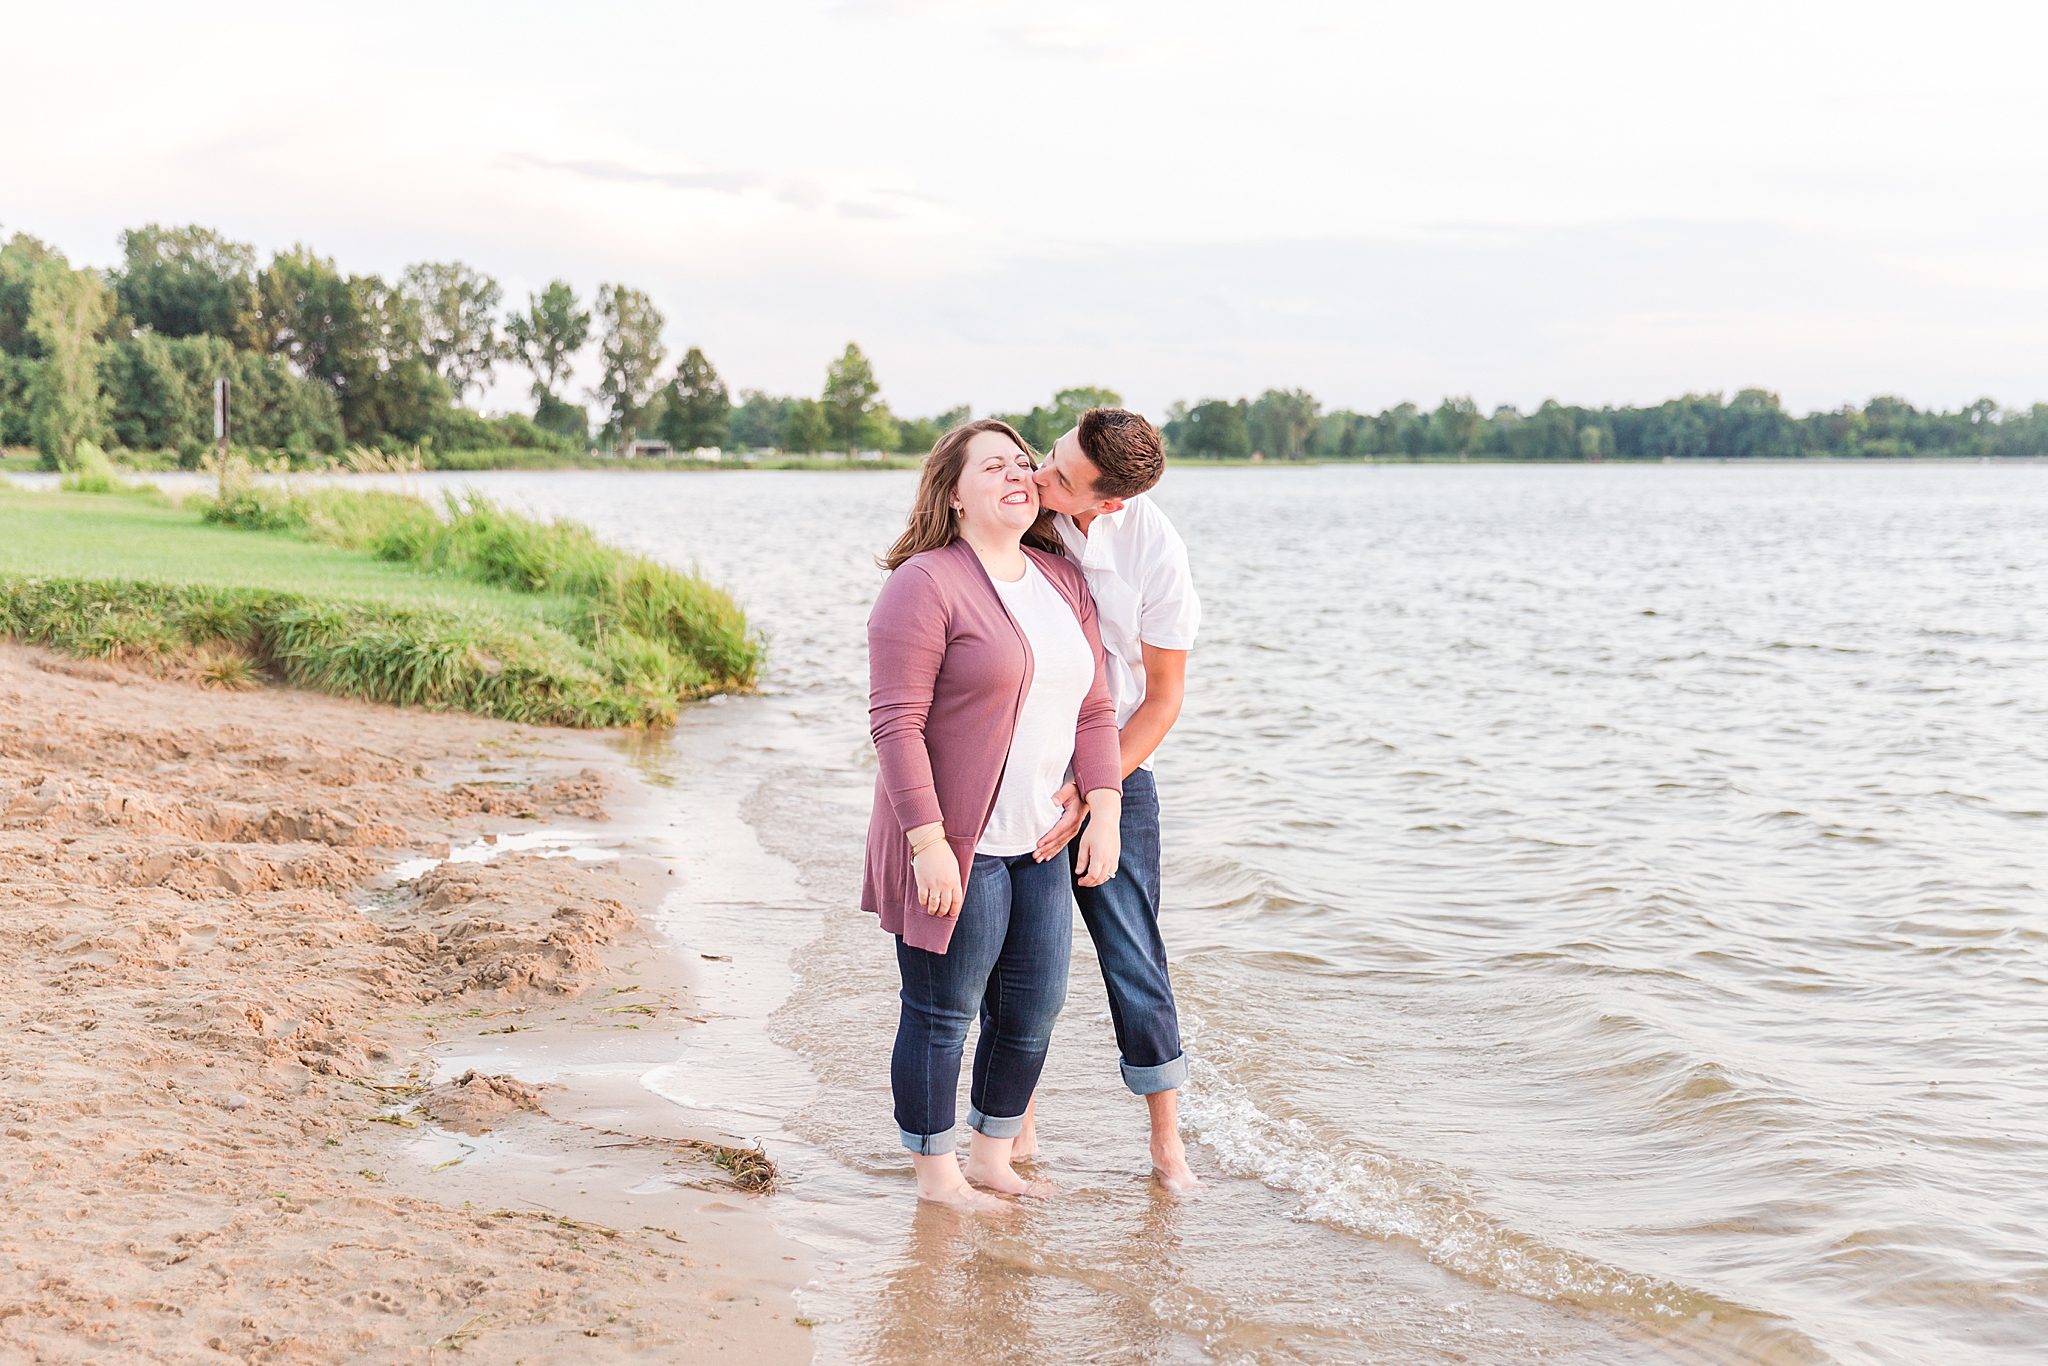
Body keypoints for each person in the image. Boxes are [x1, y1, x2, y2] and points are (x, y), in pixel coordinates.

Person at [862, 419, 1127, 1212]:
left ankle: (990, 1156)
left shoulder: (1061, 580)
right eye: (992, 468)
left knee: (1034, 1010)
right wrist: (928, 841)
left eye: (1022, 463)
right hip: (956, 844)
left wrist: (1104, 806)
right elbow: (895, 723)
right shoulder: (925, 582)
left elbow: (1096, 707)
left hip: (1042, 845)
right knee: (941, 1014)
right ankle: (936, 1176)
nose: (1017, 475)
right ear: (953, 494)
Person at [1015, 407, 1204, 1193]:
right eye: (1049, 457)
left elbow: (1161, 700)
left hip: (1120, 769)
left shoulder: (1154, 553)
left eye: (1062, 479)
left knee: (1133, 951)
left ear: (1110, 502)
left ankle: (1168, 1146)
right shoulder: (1027, 510)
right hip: (1022, 762)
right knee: (1019, 959)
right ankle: (1014, 1130)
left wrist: (1099, 790)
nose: (1040, 478)